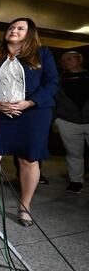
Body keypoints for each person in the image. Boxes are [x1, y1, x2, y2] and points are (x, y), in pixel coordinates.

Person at [0, 17, 58, 227]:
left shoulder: (42, 53)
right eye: (11, 27)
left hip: (33, 114)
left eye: (20, 28)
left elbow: (52, 83)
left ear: (29, 33)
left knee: (28, 160)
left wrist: (29, 102)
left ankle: (25, 206)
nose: (14, 30)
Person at [54, 50, 89, 194]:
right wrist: (56, 118)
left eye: (70, 58)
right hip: (67, 121)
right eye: (64, 59)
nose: (66, 61)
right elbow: (53, 99)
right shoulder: (57, 79)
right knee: (74, 154)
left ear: (80, 59)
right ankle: (76, 181)